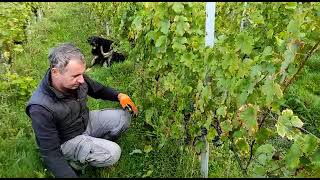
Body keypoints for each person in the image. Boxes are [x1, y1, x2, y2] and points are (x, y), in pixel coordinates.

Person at [25, 43, 138, 178]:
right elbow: (51, 154)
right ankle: (75, 163)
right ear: (55, 72)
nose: (81, 80)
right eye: (75, 76)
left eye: (82, 74)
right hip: (66, 140)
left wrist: (119, 96)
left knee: (123, 117)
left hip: (83, 121)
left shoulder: (78, 79)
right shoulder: (40, 107)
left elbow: (99, 90)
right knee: (113, 153)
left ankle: (90, 145)